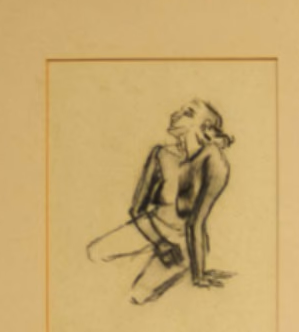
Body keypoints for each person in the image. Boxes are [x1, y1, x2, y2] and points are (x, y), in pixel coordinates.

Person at [92, 98, 235, 306]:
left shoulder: (216, 163)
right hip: (149, 228)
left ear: (205, 127)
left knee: (137, 295)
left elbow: (197, 222)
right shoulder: (161, 154)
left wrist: (199, 274)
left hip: (182, 241)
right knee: (94, 253)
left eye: (187, 113)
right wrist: (159, 243)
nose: (175, 114)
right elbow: (136, 209)